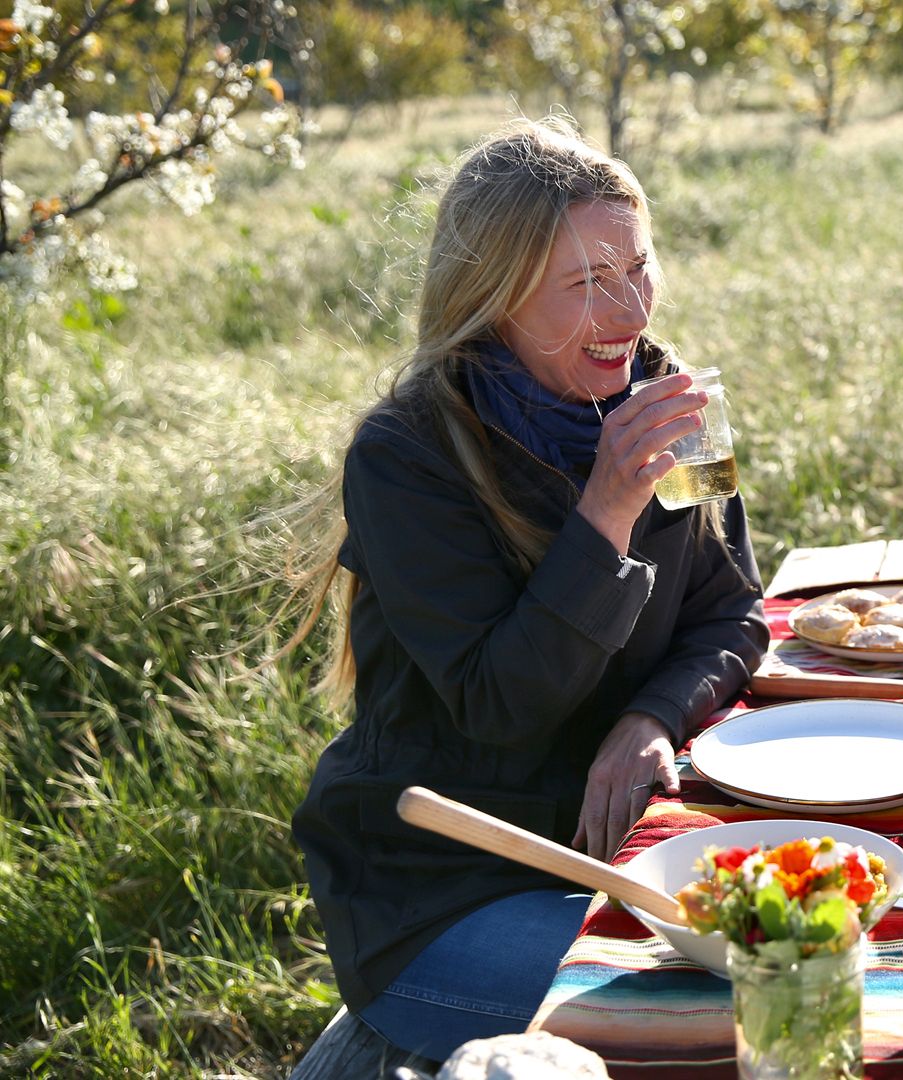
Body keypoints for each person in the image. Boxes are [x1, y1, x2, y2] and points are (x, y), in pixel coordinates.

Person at [282, 118, 769, 1064]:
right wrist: (606, 512)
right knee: (730, 1008)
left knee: (813, 939)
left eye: (638, 265)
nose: (629, 308)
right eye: (586, 282)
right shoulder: (407, 454)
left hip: (619, 855)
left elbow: (731, 608)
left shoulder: (660, 394)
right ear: (495, 295)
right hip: (448, 888)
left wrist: (653, 717)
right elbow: (500, 705)